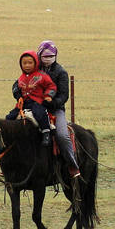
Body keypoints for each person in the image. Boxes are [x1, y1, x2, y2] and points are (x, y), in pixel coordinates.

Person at [36, 40, 80, 177]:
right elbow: (21, 82)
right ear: (39, 56)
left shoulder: (61, 72)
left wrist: (52, 103)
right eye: (45, 56)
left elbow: (64, 95)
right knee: (15, 128)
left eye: (51, 56)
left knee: (62, 135)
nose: (48, 59)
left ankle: (72, 165)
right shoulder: (33, 68)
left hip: (55, 110)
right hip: (35, 107)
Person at [6, 50, 56, 147]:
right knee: (10, 117)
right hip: (23, 103)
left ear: (36, 63)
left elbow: (51, 86)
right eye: (24, 63)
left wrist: (48, 96)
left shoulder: (42, 76)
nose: (27, 65)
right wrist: (18, 96)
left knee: (39, 114)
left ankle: (46, 133)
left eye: (30, 63)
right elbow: (16, 88)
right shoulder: (21, 77)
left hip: (37, 101)